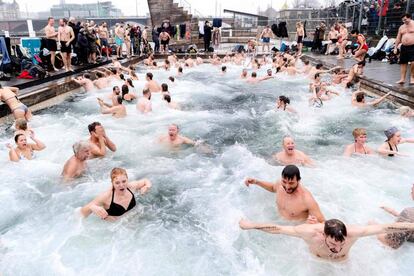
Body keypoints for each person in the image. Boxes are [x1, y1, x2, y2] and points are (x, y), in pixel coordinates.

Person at [239, 218, 414, 261]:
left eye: (341, 243)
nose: (337, 248)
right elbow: (278, 229)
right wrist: (251, 225)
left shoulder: (353, 233)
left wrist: (411, 226)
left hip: (342, 266)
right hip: (317, 263)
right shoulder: (310, 234)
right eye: (332, 244)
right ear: (323, 236)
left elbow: (385, 227)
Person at [244, 165, 324, 223]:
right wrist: (256, 182)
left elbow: (322, 222)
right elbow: (272, 188)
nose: (287, 186)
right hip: (278, 224)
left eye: (291, 183)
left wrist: (315, 222)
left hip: (294, 233)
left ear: (299, 180)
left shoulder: (307, 200)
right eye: (284, 182)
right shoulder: (279, 184)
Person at [81, 167, 152, 220]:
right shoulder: (107, 196)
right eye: (117, 183)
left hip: (134, 221)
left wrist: (147, 187)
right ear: (112, 183)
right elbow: (82, 212)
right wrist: (92, 207)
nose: (121, 185)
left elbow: (146, 180)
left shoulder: (131, 186)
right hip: (115, 229)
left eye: (124, 181)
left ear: (127, 180)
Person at [375, 184, 414, 249]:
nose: (411, 189)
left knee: (370, 222)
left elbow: (392, 242)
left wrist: (373, 225)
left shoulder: (408, 213)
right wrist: (396, 214)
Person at [394, 14, 414, 85]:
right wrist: (395, 47)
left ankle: (412, 78)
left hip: (412, 46)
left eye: (405, 19)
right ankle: (402, 79)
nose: (404, 21)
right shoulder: (401, 27)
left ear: (409, 18)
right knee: (403, 63)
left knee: (413, 62)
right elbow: (398, 38)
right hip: (404, 47)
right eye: (403, 20)